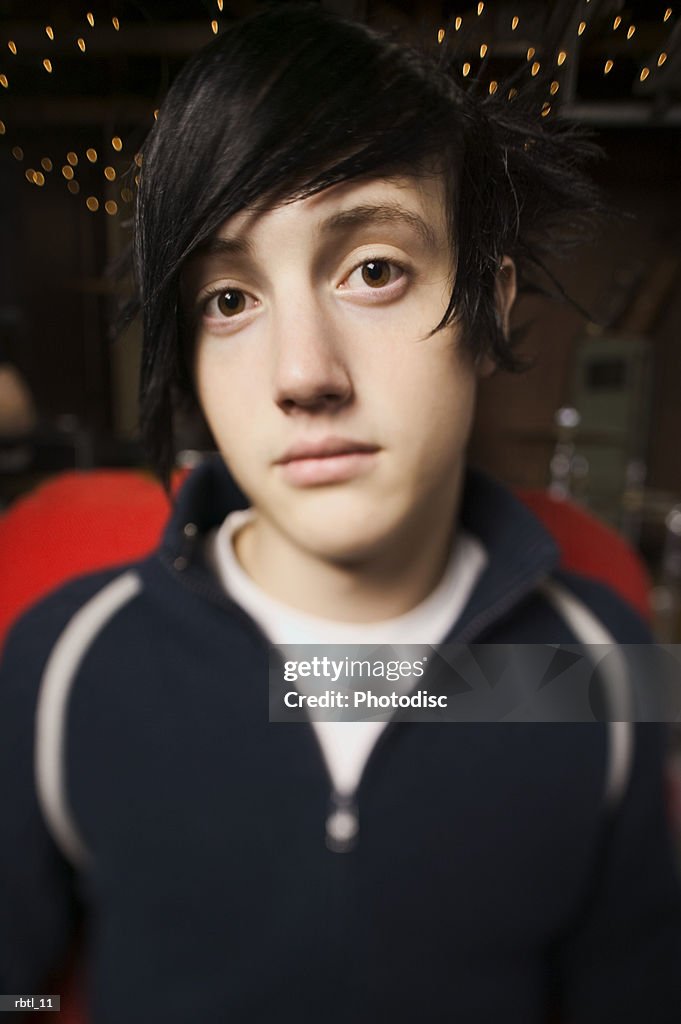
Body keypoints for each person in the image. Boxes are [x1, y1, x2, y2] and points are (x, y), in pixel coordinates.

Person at [1, 5, 680, 1022]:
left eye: (373, 270)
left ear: (488, 307)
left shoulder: (593, 661)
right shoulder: (64, 661)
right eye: (229, 299)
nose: (302, 375)